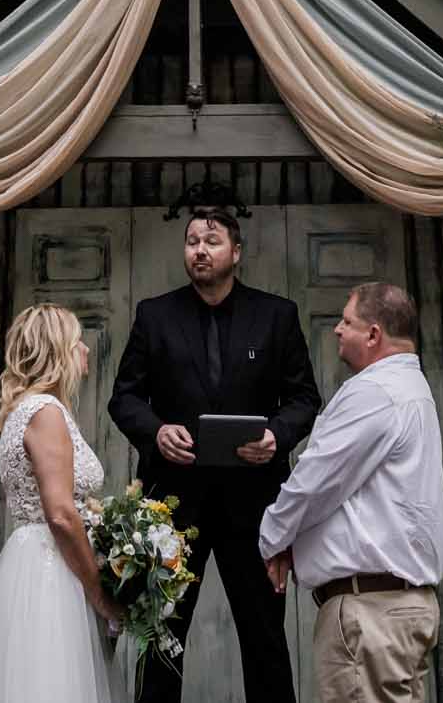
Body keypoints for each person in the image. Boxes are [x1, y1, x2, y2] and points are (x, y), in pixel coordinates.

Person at [109, 205, 321, 703]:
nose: (199, 250)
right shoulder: (154, 314)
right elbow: (124, 397)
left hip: (255, 508)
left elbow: (304, 399)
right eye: (191, 242)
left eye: (211, 241)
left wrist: (276, 435)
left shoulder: (277, 315)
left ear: (237, 252)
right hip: (171, 511)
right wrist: (156, 431)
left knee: (265, 640)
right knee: (160, 640)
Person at [257, 282, 443, 703]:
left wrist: (273, 539)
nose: (337, 330)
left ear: (374, 334)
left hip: (370, 612)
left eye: (347, 322)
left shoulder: (374, 393)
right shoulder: (413, 390)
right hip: (401, 608)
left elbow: (316, 480)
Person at [0, 303, 127, 703]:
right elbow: (61, 514)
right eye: (77, 343)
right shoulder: (45, 412)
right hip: (54, 570)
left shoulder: (25, 410)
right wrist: (100, 596)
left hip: (35, 563)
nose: (85, 350)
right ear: (57, 351)